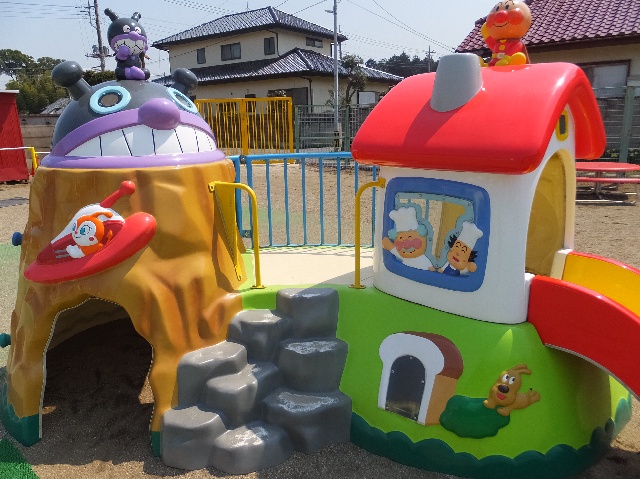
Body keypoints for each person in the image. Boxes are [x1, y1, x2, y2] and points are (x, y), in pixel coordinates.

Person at [382, 206, 434, 270]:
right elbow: (396, 252)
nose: (406, 245)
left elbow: (431, 269)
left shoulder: (423, 259)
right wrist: (389, 245)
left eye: (410, 237)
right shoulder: (403, 256)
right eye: (401, 238)